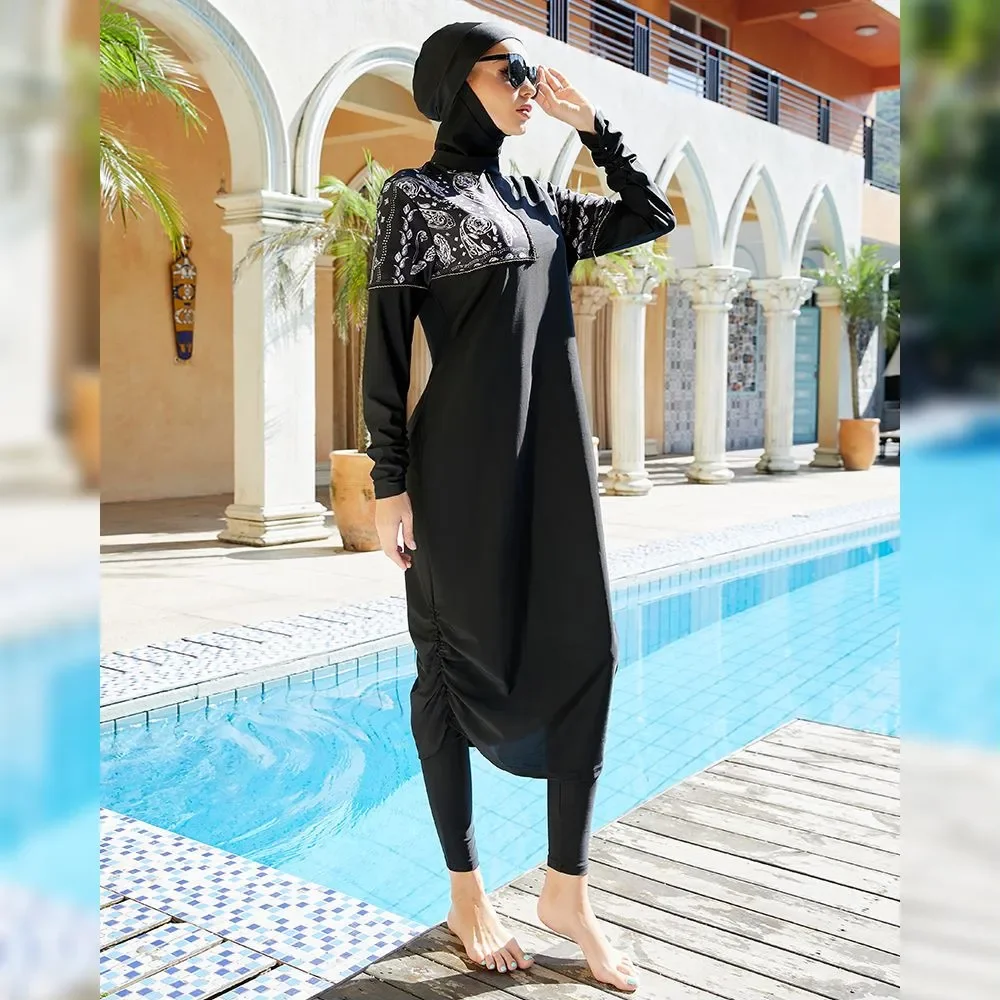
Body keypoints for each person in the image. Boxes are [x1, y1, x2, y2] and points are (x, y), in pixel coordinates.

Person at [362, 20, 675, 992]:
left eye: (534, 74)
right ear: (461, 81)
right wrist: (388, 483)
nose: (532, 86)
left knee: (588, 652)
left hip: (553, 469)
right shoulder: (414, 200)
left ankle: (566, 891)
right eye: (516, 73)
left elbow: (651, 215)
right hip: (456, 474)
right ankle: (466, 893)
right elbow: (384, 350)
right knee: (449, 670)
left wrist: (594, 130)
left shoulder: (542, 200)